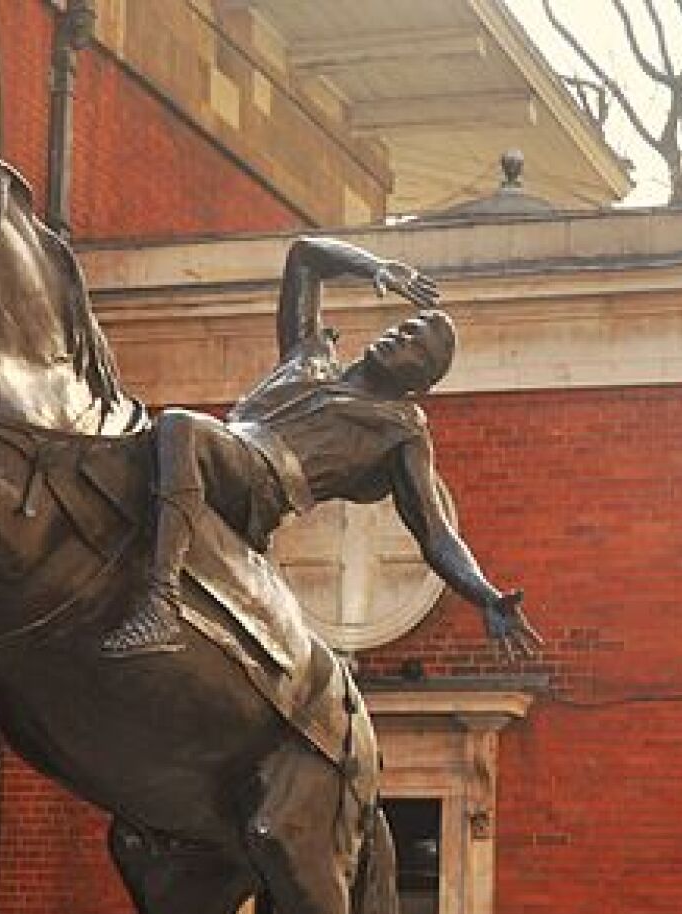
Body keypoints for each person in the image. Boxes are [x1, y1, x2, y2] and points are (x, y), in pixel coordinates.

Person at [99, 235, 539, 659]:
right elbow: (304, 255)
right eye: (404, 328)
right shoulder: (308, 354)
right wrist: (376, 268)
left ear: (420, 381)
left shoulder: (402, 431)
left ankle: (161, 603)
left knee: (178, 424)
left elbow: (436, 532)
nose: (400, 337)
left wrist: (486, 595)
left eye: (415, 346)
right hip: (227, 448)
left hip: (260, 487)